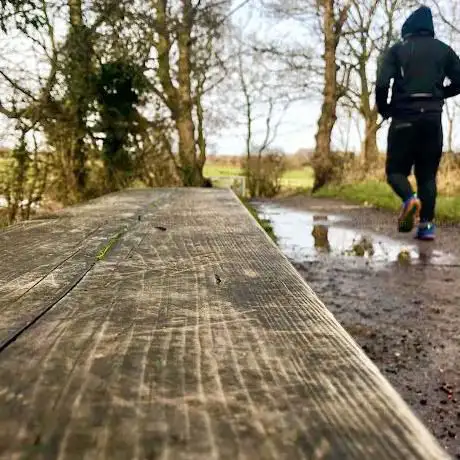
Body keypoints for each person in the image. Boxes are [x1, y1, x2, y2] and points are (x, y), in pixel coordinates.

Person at [376, 5, 460, 240]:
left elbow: (382, 84)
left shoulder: (397, 50)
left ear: (408, 29)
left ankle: (409, 199)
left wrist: (385, 110)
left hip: (404, 117)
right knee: (427, 176)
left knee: (395, 171)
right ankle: (426, 227)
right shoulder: (444, 50)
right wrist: (440, 94)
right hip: (432, 120)